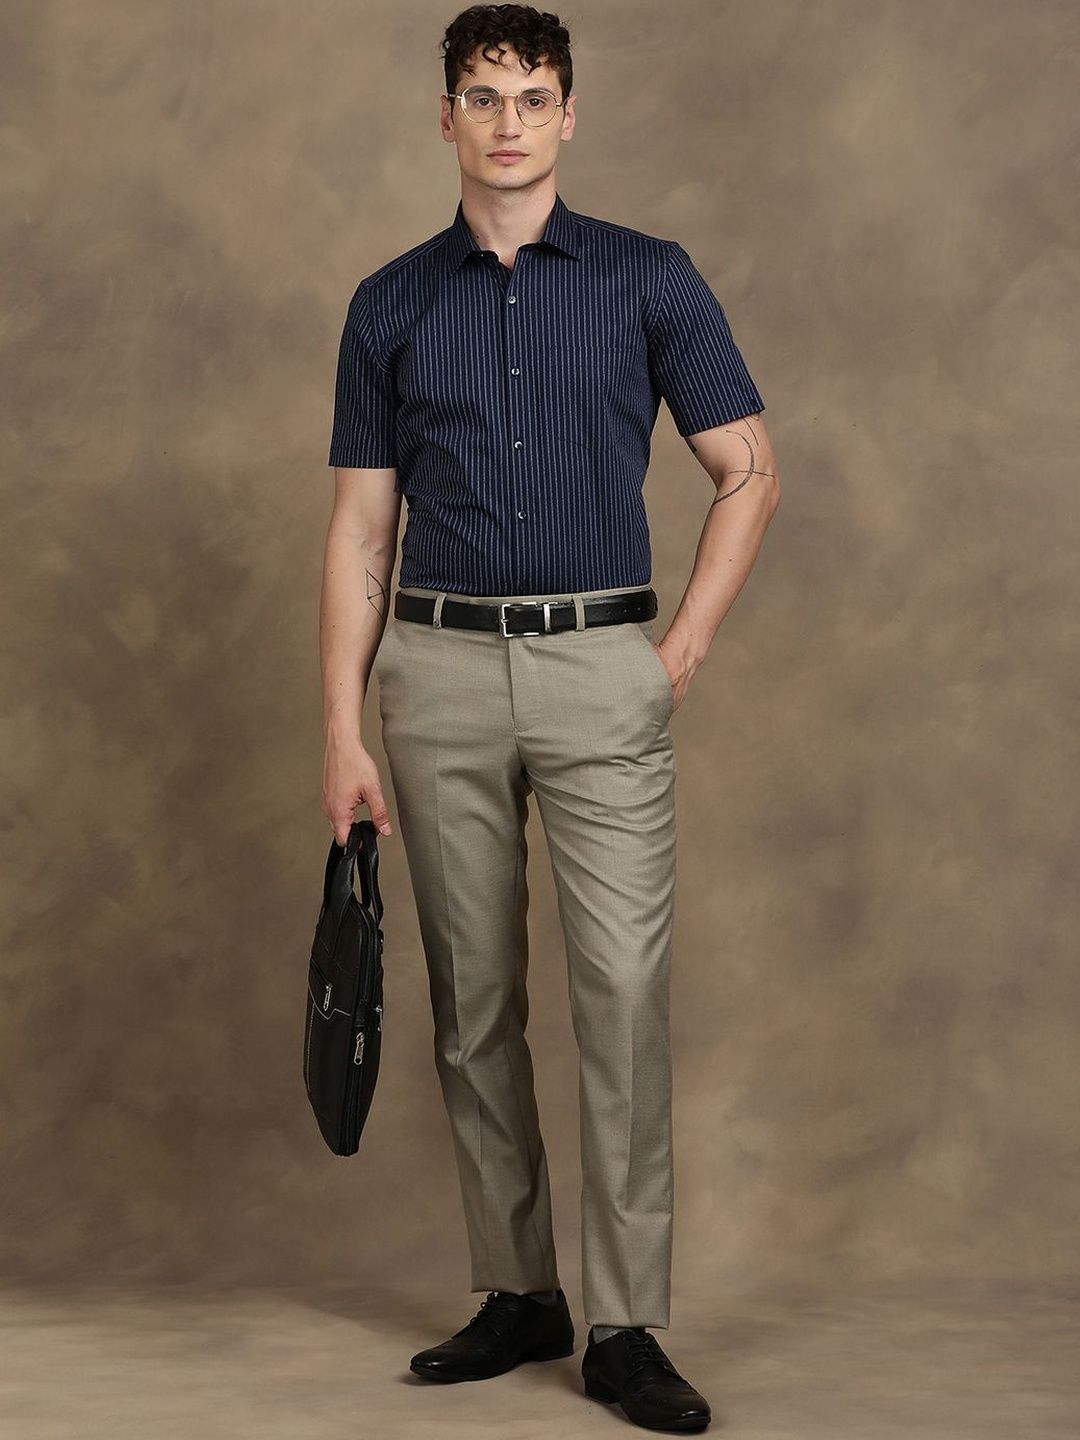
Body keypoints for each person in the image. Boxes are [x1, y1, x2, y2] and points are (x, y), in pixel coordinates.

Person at [319, 5, 780, 1432]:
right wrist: (340, 728)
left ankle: (626, 1324)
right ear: (444, 117)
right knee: (474, 1004)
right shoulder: (390, 302)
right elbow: (360, 532)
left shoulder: (649, 278)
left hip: (599, 668)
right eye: (482, 95)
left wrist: (678, 649)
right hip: (437, 674)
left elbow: (750, 469)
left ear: (569, 114)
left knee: (622, 998)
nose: (508, 121)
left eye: (532, 96)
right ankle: (518, 1290)